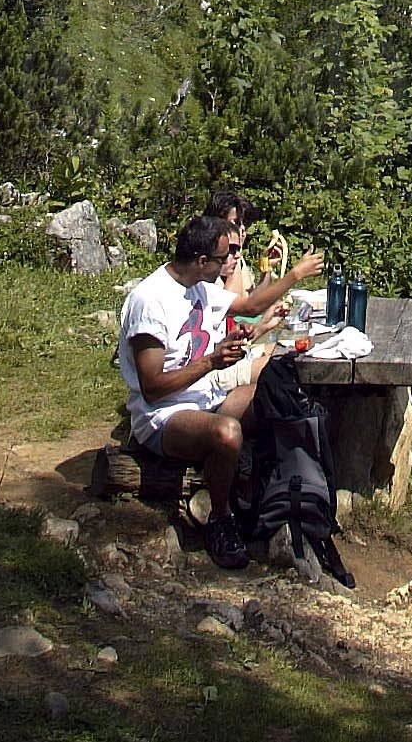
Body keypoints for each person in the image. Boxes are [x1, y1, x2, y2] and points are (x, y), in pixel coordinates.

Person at [115, 212, 283, 569]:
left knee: (275, 390)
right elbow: (153, 389)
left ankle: (259, 491)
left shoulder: (199, 286)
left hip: (205, 399)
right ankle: (219, 520)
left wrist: (231, 344)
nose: (229, 265)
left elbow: (249, 308)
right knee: (227, 432)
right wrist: (211, 361)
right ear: (202, 261)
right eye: (223, 258)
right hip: (163, 417)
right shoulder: (151, 301)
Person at [204, 183, 325, 311]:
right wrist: (296, 274)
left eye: (243, 223)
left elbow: (251, 299)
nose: (242, 229)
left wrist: (267, 268)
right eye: (236, 223)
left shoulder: (238, 259)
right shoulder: (211, 264)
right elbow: (237, 308)